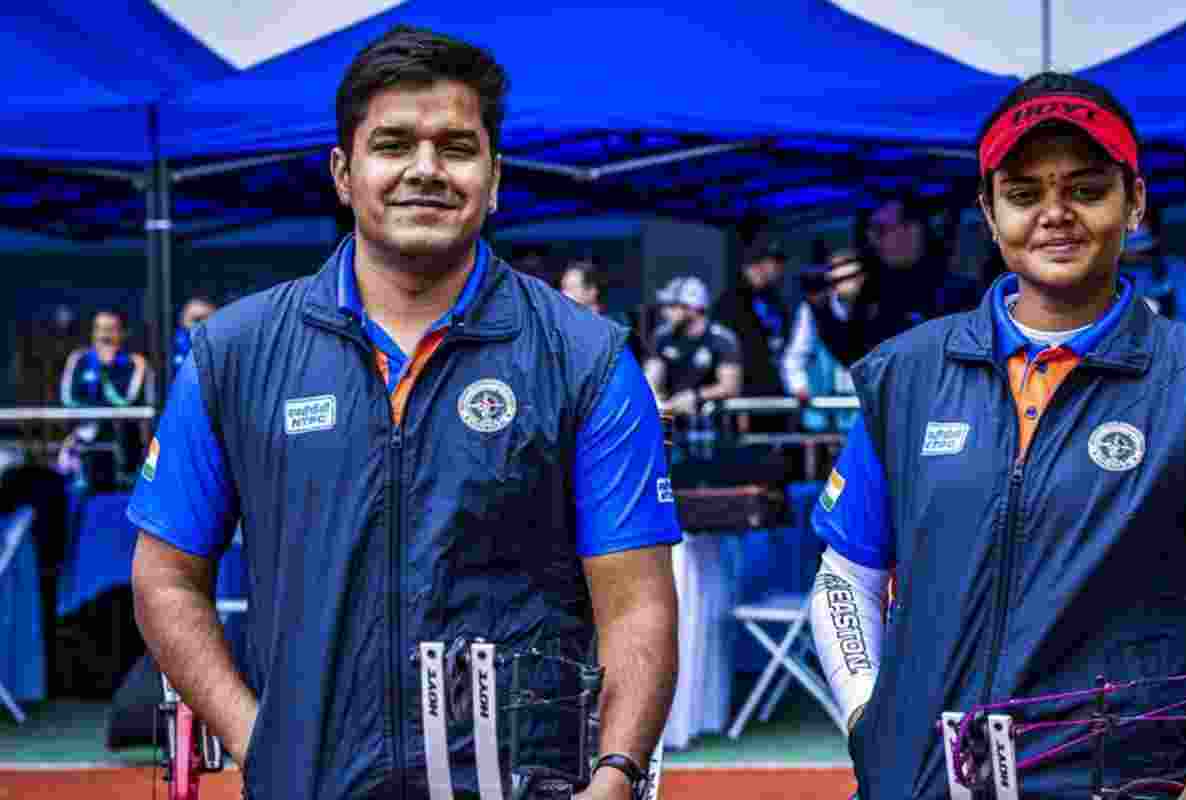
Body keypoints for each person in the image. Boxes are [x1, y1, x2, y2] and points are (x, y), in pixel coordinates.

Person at [128, 26, 680, 800]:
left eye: (457, 147)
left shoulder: (584, 358)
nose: (426, 170)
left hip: (518, 787)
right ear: (343, 173)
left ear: (494, 179)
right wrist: (259, 739)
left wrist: (616, 774)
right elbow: (165, 578)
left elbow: (638, 603)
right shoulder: (233, 354)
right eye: (393, 144)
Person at [807, 73, 1186, 800]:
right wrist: (867, 713)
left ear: (1133, 202)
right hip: (912, 781)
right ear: (988, 211)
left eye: (1085, 188)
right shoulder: (906, 374)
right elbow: (843, 577)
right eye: (1023, 193)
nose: (1055, 215)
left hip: (1116, 782)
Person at [808, 193, 981, 367]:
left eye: (881, 230)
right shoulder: (873, 291)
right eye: (871, 231)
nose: (873, 240)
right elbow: (855, 356)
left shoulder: (957, 294)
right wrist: (822, 310)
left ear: (913, 231)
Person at [57, 309, 156, 480]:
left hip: (125, 441)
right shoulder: (78, 359)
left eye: (111, 329)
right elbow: (68, 399)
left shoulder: (136, 363)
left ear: (122, 334)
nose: (104, 336)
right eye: (99, 329)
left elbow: (125, 401)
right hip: (86, 435)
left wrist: (106, 370)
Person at [783, 251, 861, 431]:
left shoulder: (874, 304)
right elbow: (794, 357)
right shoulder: (811, 311)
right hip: (827, 405)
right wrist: (799, 387)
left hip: (866, 402)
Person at [643, 276, 742, 417]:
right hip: (674, 421)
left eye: (672, 306)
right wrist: (655, 398)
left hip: (713, 424)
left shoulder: (721, 339)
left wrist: (694, 396)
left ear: (693, 308)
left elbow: (730, 386)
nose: (665, 312)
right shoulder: (662, 336)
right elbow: (652, 375)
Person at [710, 238, 790, 405]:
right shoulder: (730, 302)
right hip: (745, 394)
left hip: (776, 390)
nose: (779, 269)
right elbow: (727, 351)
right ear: (756, 265)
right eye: (774, 263)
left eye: (780, 263)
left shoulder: (775, 300)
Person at [1117, 223, 1186, 327]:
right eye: (1133, 250)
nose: (1139, 253)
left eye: (1145, 250)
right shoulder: (1112, 274)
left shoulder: (1175, 267)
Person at [173, 297, 218, 371]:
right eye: (197, 320)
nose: (203, 325)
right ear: (182, 321)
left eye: (209, 320)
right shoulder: (173, 349)